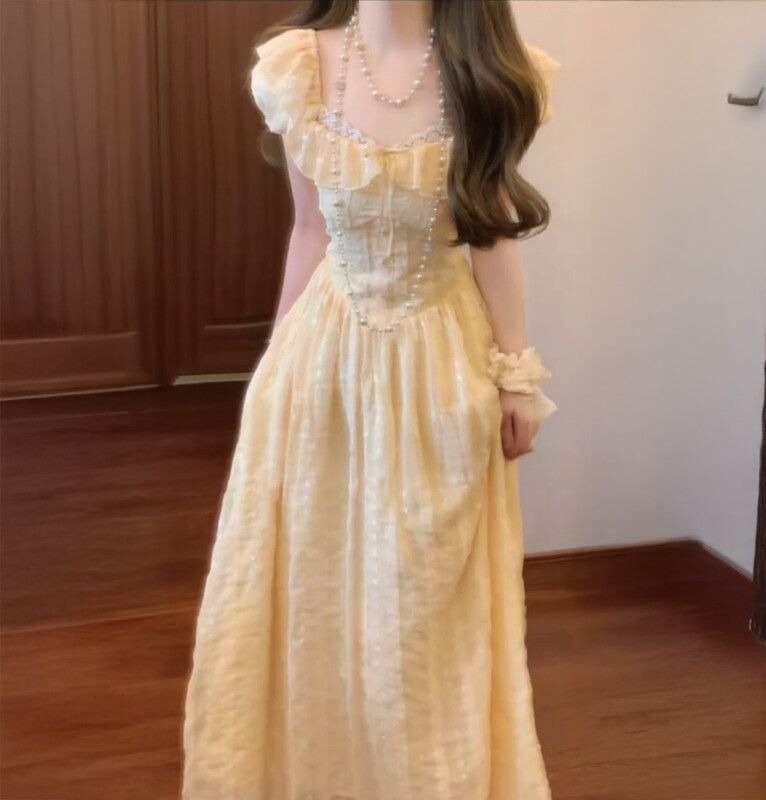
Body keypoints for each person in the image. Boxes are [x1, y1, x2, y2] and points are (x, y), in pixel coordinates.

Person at [181, 1, 560, 797]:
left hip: (441, 368)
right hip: (327, 358)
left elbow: (491, 235)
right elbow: (310, 231)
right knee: (316, 584)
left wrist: (516, 374)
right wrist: (276, 368)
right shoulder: (298, 65)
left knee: (422, 603)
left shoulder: (490, 71)